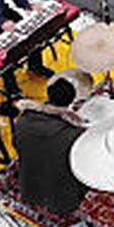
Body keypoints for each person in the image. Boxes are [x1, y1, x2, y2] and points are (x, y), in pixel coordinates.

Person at [12, 78, 87, 215]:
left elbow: (17, 147)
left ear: (48, 95)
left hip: (30, 185)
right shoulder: (74, 135)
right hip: (62, 197)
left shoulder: (23, 121)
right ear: (71, 101)